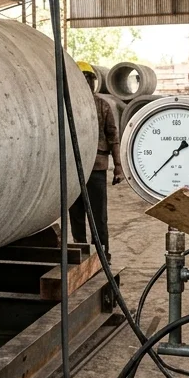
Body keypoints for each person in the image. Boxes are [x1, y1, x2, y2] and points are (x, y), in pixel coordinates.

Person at [69, 61, 124, 257]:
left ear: (94, 82)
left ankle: (102, 253)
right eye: (83, 78)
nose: (87, 82)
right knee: (76, 214)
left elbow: (113, 137)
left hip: (96, 168)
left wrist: (118, 166)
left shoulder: (103, 106)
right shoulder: (68, 106)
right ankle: (81, 252)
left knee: (98, 216)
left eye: (89, 78)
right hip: (74, 169)